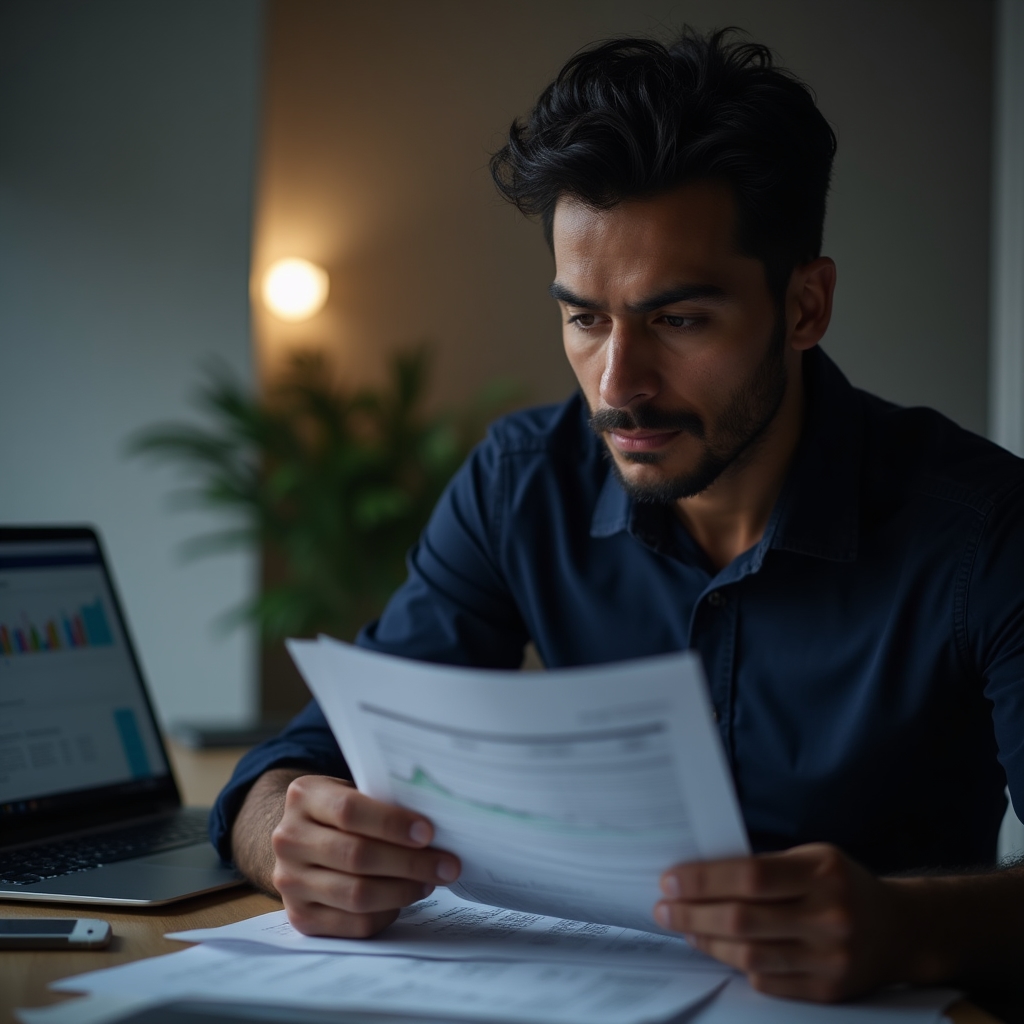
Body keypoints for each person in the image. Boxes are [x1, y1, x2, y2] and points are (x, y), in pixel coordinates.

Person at [213, 29, 1024, 1004]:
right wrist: (290, 838)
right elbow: (294, 765)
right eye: (584, 317)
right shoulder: (520, 484)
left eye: (677, 320)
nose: (618, 385)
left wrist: (908, 926)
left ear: (804, 307)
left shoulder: (985, 530)